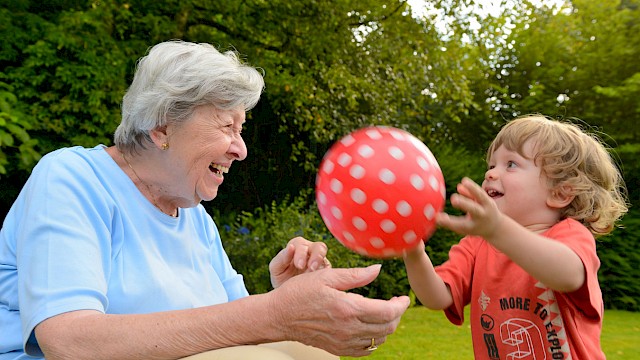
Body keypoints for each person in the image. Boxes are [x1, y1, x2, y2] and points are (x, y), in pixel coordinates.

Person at [0, 40, 410, 360]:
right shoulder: (73, 179)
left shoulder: (194, 216)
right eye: (227, 126)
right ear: (162, 128)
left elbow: (239, 328)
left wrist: (284, 300)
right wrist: (274, 314)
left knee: (307, 352)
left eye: (241, 128)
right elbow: (69, 342)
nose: (241, 149)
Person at [403, 115, 628, 359]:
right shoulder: (478, 243)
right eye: (491, 165)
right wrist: (413, 250)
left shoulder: (570, 234)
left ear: (561, 193)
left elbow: (568, 275)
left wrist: (497, 229)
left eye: (511, 164)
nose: (491, 174)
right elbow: (436, 297)